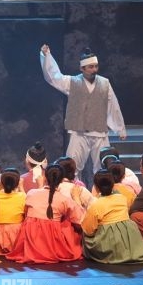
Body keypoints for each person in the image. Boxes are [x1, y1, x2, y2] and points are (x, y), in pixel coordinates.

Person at [41, 44, 127, 186]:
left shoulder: (104, 83)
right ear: (82, 68)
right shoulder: (72, 82)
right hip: (78, 132)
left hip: (99, 132)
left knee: (103, 167)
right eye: (91, 67)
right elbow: (54, 77)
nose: (94, 70)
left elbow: (113, 105)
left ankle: (102, 193)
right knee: (71, 167)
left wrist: (120, 128)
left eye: (96, 66)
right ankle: (73, 193)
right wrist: (47, 56)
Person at [7, 163, 85, 264]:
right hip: (50, 237)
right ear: (61, 180)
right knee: (68, 223)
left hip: (31, 236)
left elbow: (26, 213)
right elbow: (81, 219)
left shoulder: (31, 193)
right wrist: (76, 198)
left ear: (45, 177)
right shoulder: (64, 199)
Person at [81, 170, 143, 264]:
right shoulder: (121, 198)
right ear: (112, 184)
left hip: (108, 241)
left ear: (96, 187)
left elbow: (88, 229)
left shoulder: (96, 204)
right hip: (129, 237)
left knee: (85, 236)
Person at [0, 167, 26, 256]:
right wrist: (21, 186)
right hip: (15, 234)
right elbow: (26, 200)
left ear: (1, 182)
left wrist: (1, 181)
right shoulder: (22, 196)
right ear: (17, 183)